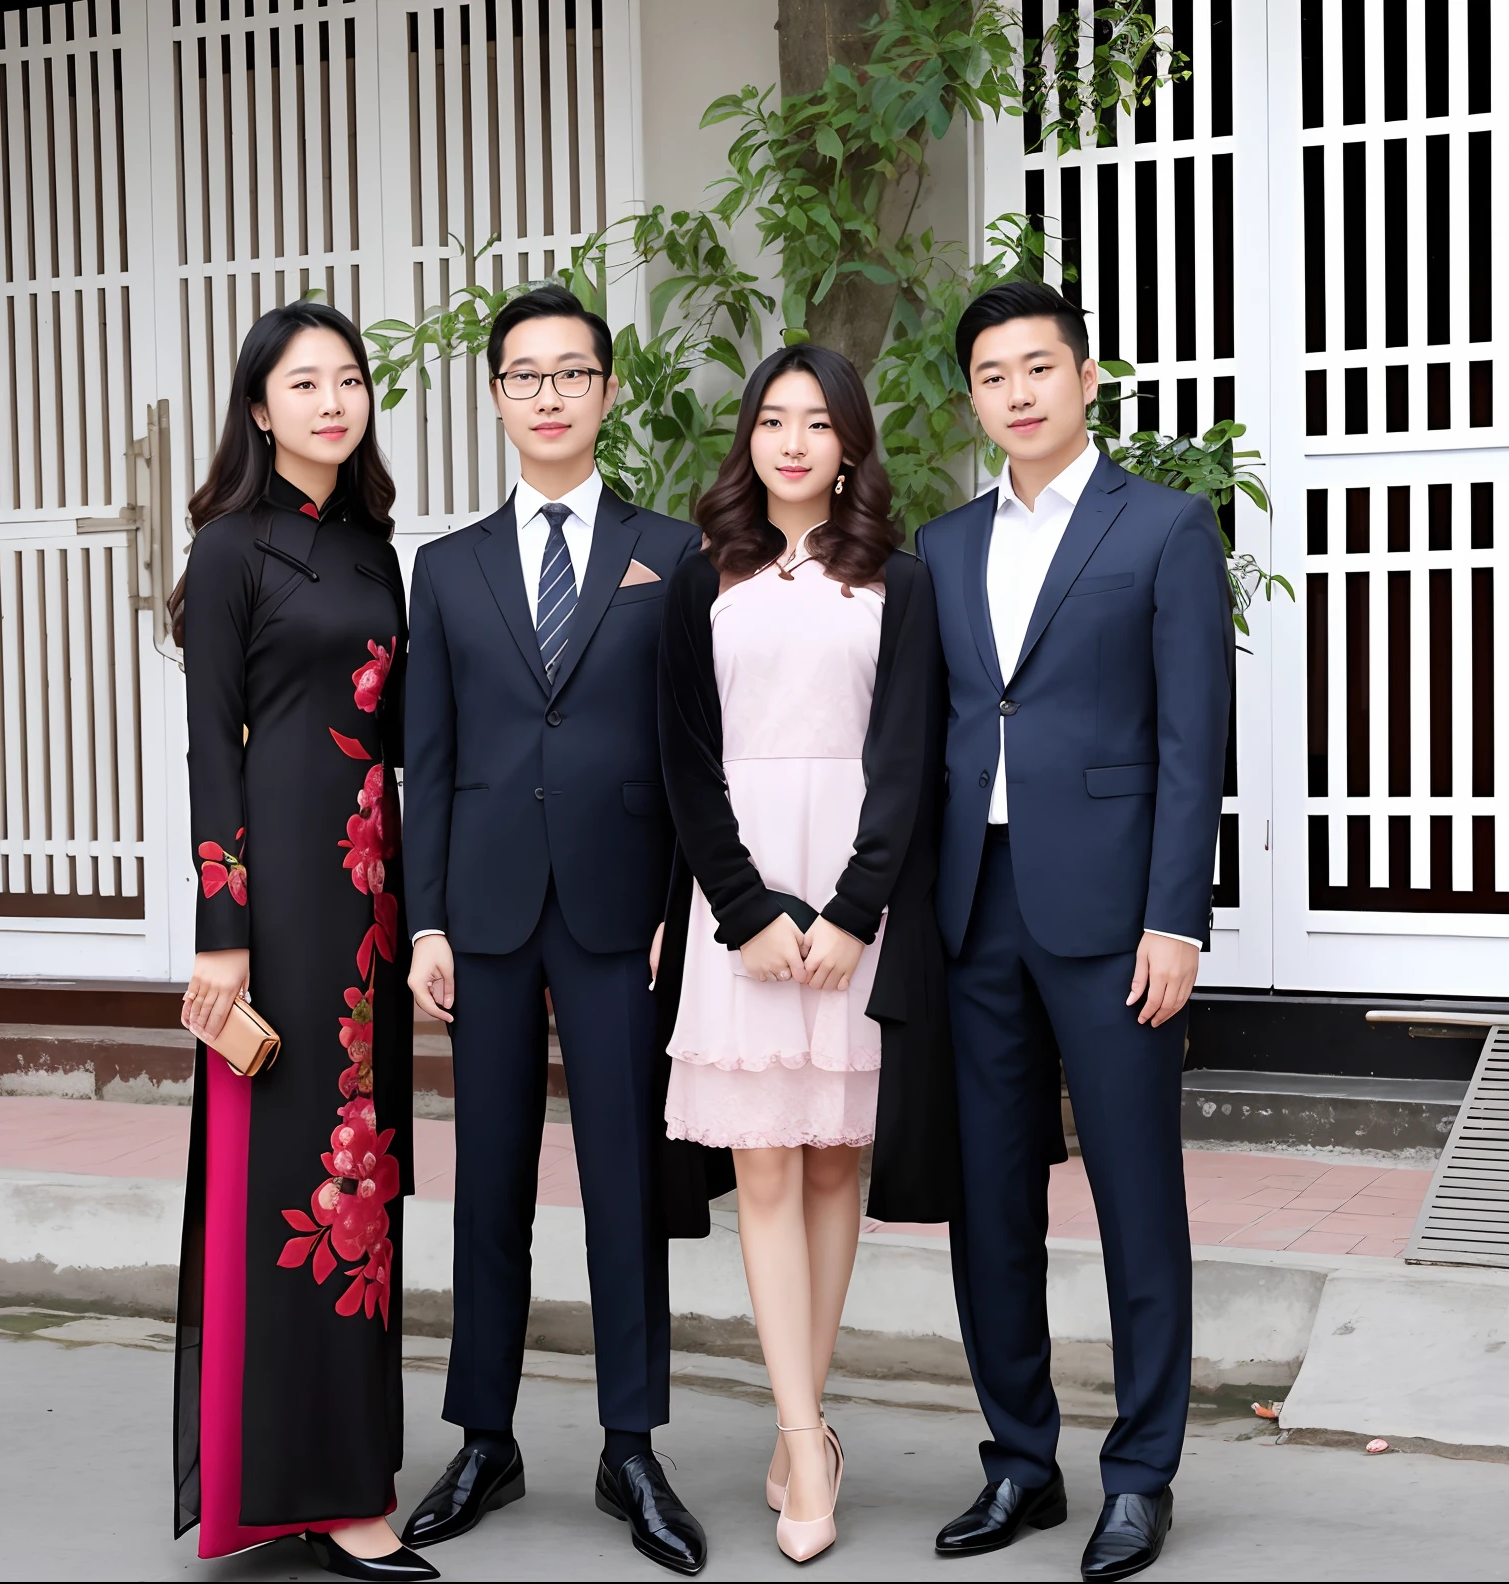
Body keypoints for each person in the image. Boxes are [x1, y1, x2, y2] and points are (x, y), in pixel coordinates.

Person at [916, 281, 1234, 1583]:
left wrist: (1177, 916)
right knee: (988, 1201)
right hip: (970, 904)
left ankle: (1143, 1471)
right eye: (993, 376)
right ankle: (1019, 1463)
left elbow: (1190, 738)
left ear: (1086, 376)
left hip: (1111, 915)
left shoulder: (1162, 529)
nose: (1019, 393)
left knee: (1132, 1193)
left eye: (1039, 367)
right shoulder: (939, 548)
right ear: (975, 398)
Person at [397, 285, 708, 1576]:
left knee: (625, 1182)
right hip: (483, 912)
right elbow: (427, 756)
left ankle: (630, 1443)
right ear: (494, 397)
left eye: (572, 373)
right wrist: (423, 921)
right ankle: (486, 1434)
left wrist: (679, 915)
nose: (548, 395)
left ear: (610, 391)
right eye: (524, 376)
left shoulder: (671, 552)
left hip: (619, 914)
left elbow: (696, 753)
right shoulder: (448, 566)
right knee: (493, 1188)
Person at [654, 343, 957, 1564]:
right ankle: (803, 1433)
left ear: (848, 444)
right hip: (739, 901)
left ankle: (802, 1425)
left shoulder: (902, 580)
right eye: (771, 421)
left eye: (815, 422)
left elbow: (909, 757)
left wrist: (850, 913)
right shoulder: (697, 576)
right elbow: (683, 757)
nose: (791, 442)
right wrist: (744, 910)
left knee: (835, 1167)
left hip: (854, 902)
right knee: (764, 1170)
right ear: (749, 438)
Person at [172, 302, 431, 1581]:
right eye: (302, 383)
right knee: (296, 1179)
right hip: (275, 903)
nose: (331, 400)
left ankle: (348, 1470)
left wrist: (421, 912)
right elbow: (209, 749)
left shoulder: (377, 550)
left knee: (363, 1182)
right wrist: (223, 932)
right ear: (259, 409)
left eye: (349, 380)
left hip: (367, 906)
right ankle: (309, 1487)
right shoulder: (231, 551)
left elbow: (402, 751)